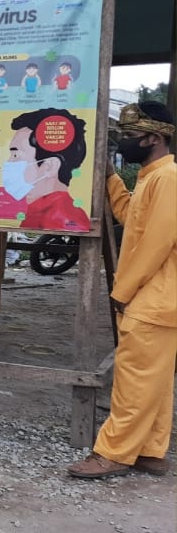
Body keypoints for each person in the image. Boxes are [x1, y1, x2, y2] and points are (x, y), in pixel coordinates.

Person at [68, 102, 176, 478]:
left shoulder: (168, 178)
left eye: (131, 137)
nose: (125, 143)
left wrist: (123, 291)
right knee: (155, 380)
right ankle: (150, 449)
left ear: (155, 138)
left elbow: (156, 244)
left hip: (152, 298)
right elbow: (132, 218)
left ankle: (111, 453)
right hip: (159, 300)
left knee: (133, 381)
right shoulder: (152, 176)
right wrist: (112, 178)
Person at [5, 108, 90, 231]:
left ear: (50, 167)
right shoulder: (41, 211)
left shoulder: (57, 219)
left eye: (15, 155)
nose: (9, 163)